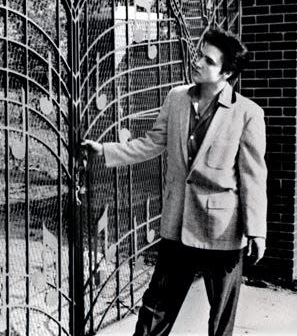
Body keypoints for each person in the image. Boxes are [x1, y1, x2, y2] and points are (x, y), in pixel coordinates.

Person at [82, 27, 267, 336]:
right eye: (198, 54)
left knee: (220, 320)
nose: (197, 62)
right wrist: (104, 151)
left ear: (227, 72)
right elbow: (151, 142)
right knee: (155, 310)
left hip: (222, 229)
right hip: (178, 225)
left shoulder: (247, 114)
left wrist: (256, 231)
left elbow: (253, 176)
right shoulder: (176, 98)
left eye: (207, 61)